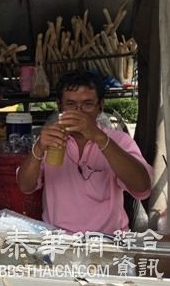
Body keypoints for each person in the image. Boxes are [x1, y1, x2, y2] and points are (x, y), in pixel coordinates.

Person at [16, 70, 153, 234]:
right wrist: (38, 149)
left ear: (100, 106)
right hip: (59, 240)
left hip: (108, 242)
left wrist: (100, 139)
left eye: (87, 104)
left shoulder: (119, 140)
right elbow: (25, 186)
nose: (79, 112)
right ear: (60, 106)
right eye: (71, 105)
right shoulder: (51, 139)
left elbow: (142, 188)